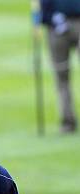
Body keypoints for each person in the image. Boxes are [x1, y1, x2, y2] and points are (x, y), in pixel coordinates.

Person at [40, 0, 80, 132]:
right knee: (61, 76)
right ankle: (68, 121)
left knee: (62, 79)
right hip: (56, 25)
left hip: (63, 23)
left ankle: (68, 123)